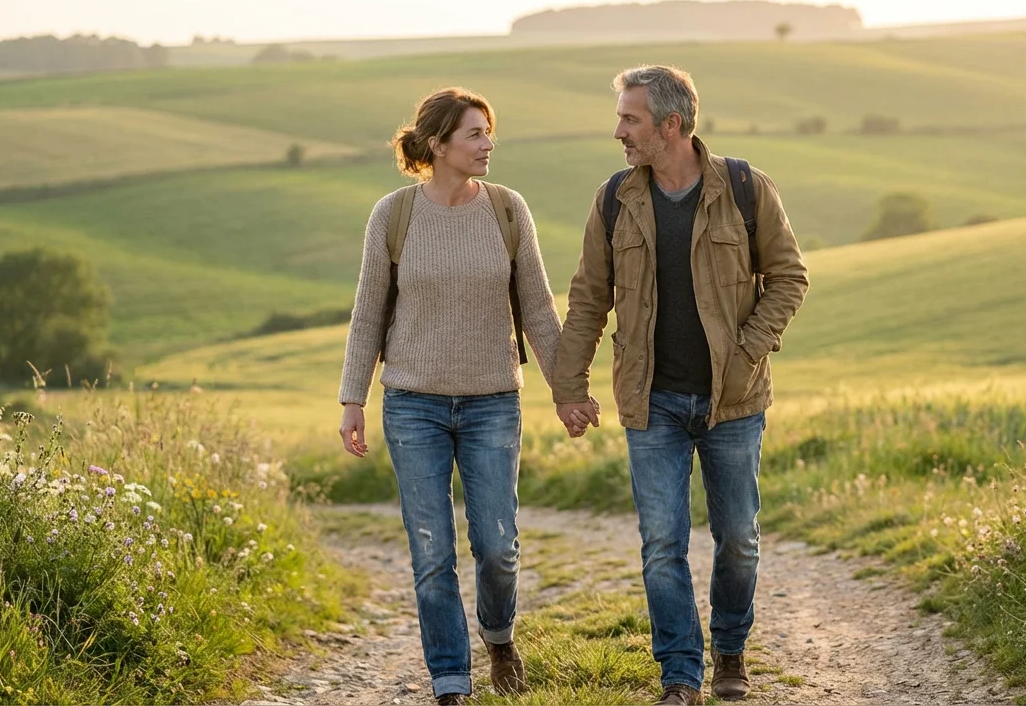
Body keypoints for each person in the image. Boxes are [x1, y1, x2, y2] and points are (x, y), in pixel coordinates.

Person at [551, 65, 809, 705]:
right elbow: (588, 299)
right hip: (651, 402)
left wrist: (748, 350)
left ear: (671, 124)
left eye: (629, 119)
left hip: (734, 401)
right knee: (662, 544)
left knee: (739, 539)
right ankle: (679, 676)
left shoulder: (745, 188)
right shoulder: (615, 199)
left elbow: (788, 278)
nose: (618, 132)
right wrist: (568, 385)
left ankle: (729, 652)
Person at [337, 87, 572, 705]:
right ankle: (449, 680)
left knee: (497, 545)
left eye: (489, 132)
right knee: (431, 547)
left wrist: (566, 390)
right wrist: (352, 399)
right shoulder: (394, 216)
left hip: (494, 399)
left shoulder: (507, 209)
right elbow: (367, 316)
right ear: (437, 144)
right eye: (475, 134)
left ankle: (498, 637)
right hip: (412, 402)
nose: (488, 144)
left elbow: (539, 311)